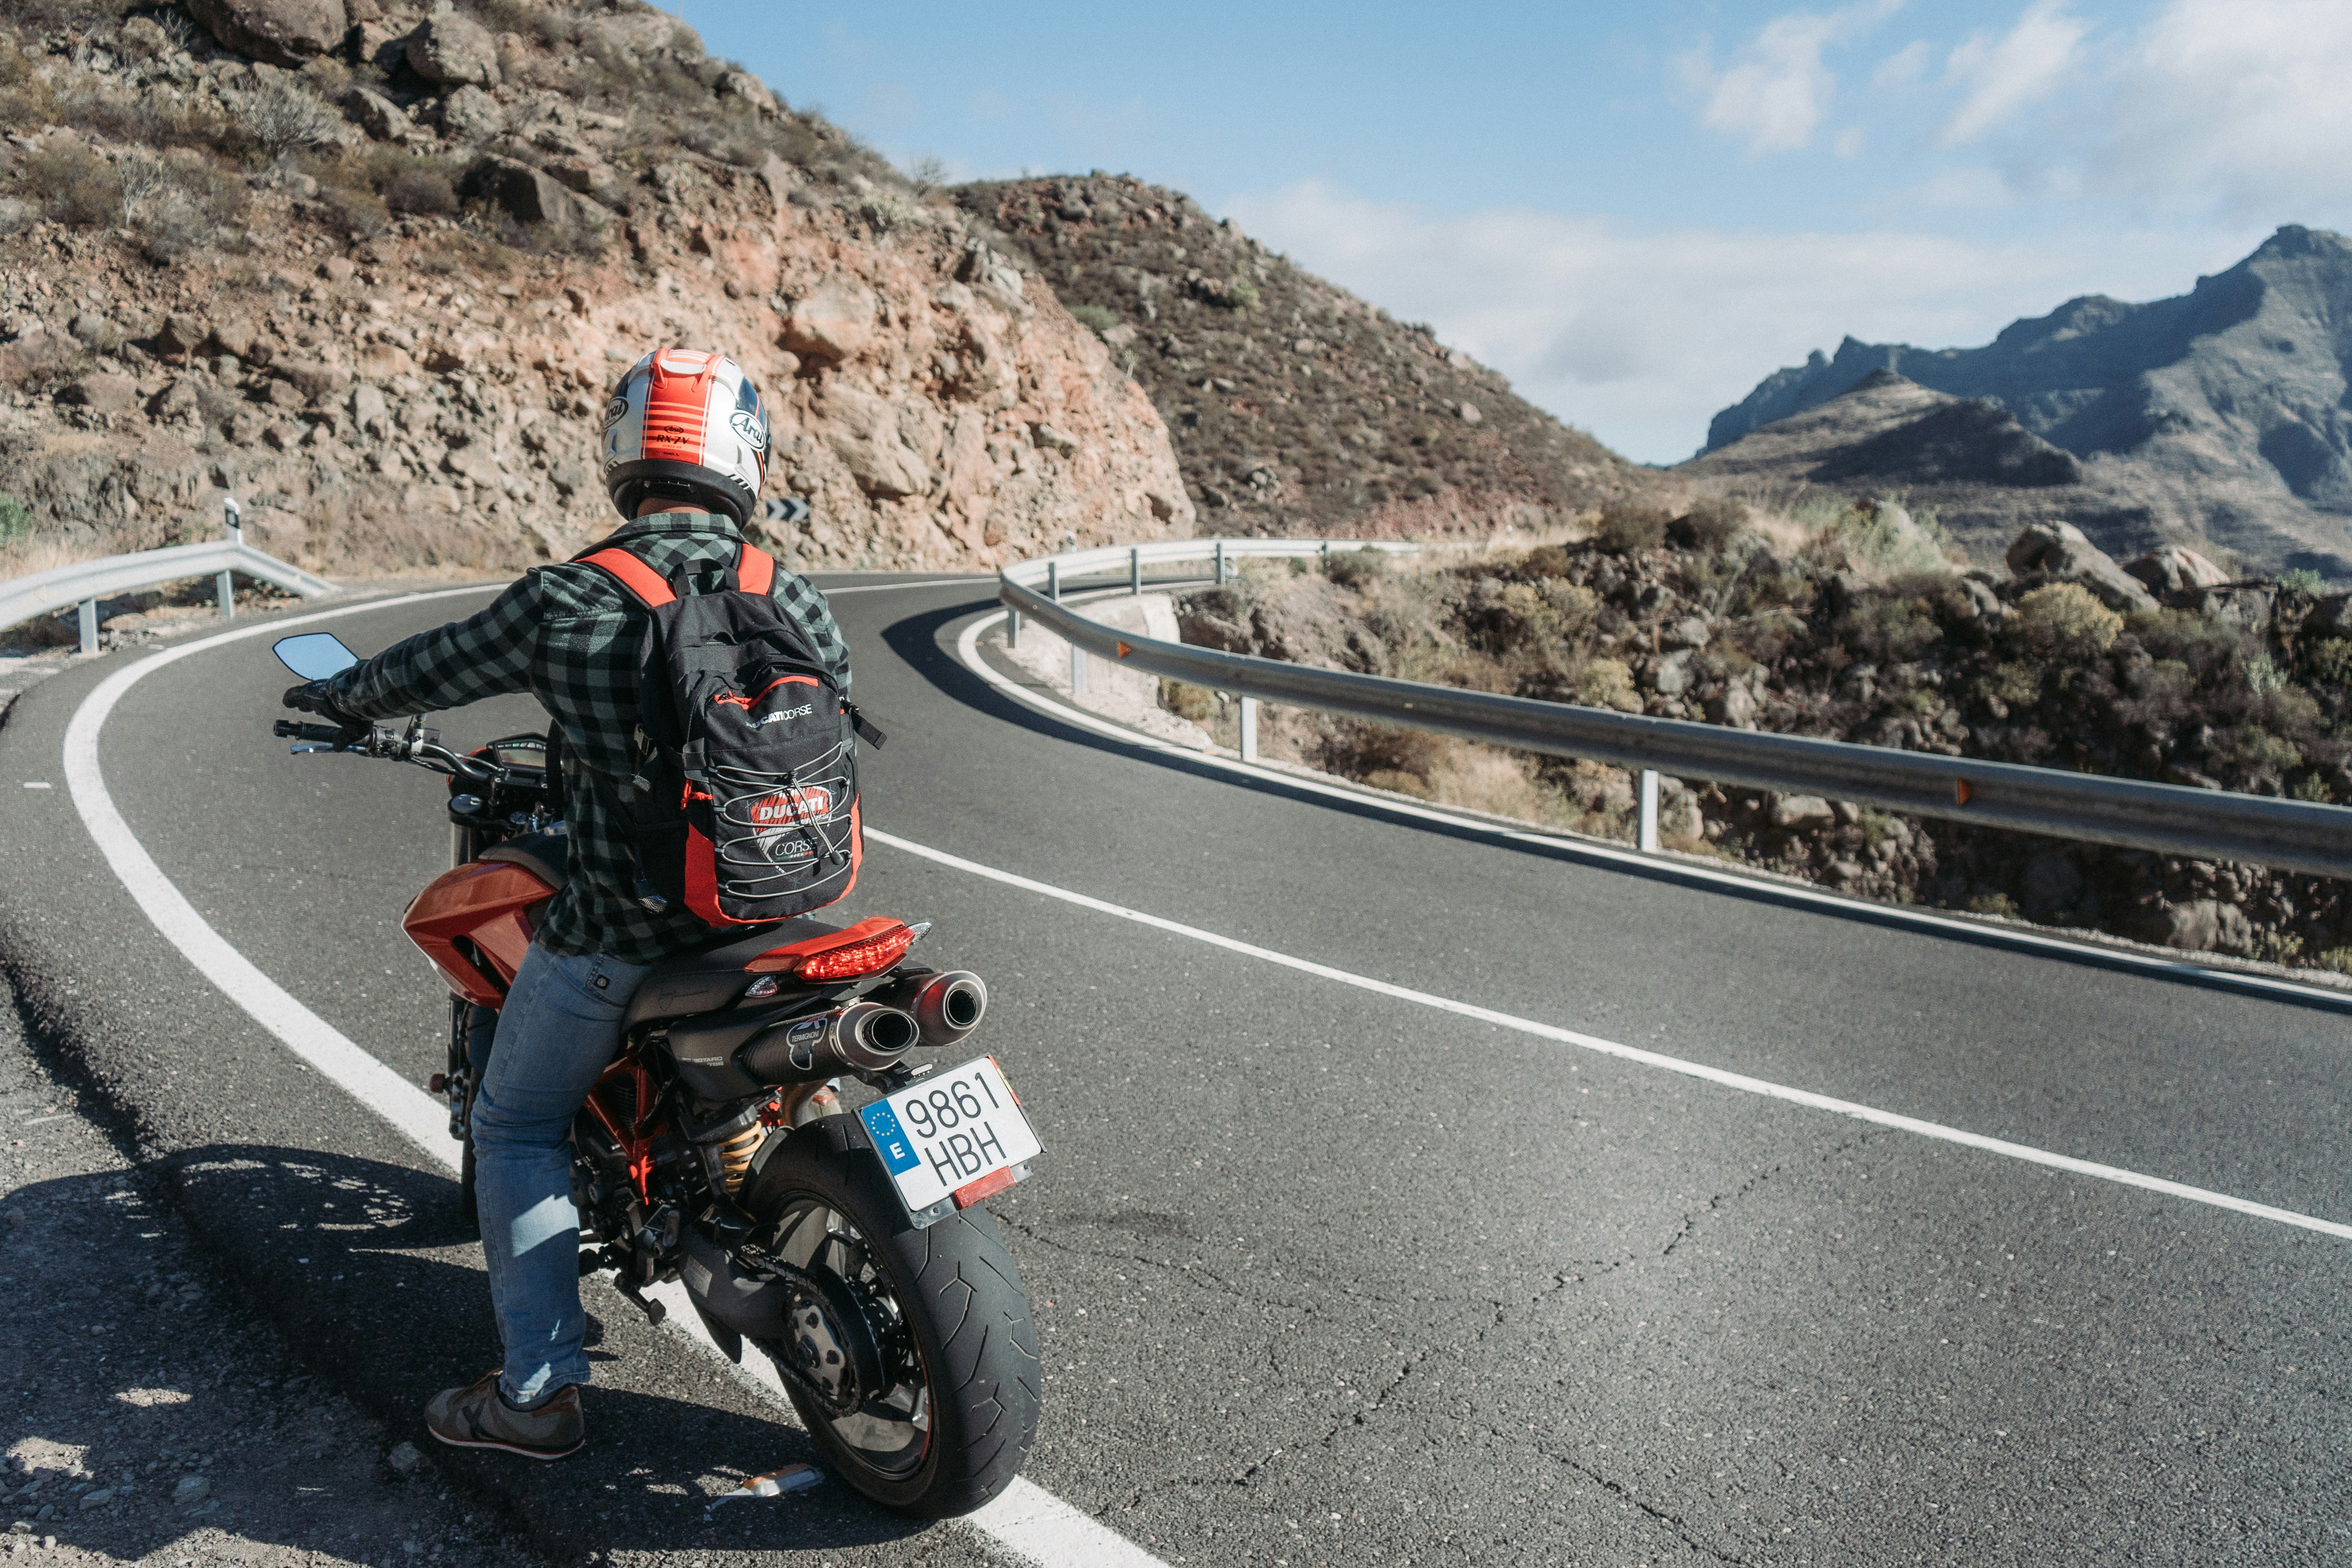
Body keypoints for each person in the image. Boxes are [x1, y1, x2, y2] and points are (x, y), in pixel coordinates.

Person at [285, 348, 849, 1459]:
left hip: (624, 938)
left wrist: (333, 696)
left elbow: (430, 670)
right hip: (784, 910)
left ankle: (536, 1392)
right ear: (743, 455)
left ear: (625, 453)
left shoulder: (575, 592)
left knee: (512, 1121)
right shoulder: (782, 584)